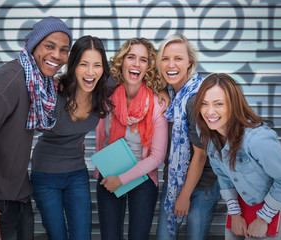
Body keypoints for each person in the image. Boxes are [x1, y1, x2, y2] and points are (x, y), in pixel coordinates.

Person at [0, 16, 72, 240]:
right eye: (49, 46)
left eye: (64, 50)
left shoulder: (37, 82)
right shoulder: (8, 83)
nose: (57, 55)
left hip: (18, 198)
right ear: (33, 44)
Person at [30, 35, 113, 240]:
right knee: (57, 235)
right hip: (45, 174)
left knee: (82, 236)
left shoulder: (102, 89)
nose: (90, 72)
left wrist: (163, 93)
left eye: (97, 65)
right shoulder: (53, 91)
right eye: (83, 64)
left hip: (76, 173)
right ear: (73, 65)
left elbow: (135, 76)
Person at [194, 73, 281, 240]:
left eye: (219, 104)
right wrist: (235, 213)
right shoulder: (208, 133)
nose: (209, 112)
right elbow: (223, 174)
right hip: (245, 203)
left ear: (233, 105)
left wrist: (263, 218)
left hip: (279, 204)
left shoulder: (257, 139)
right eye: (204, 104)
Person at [94, 37, 168, 240]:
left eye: (143, 60)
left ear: (149, 67)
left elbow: (158, 156)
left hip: (143, 178)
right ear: (122, 62)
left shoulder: (157, 103)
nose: (136, 63)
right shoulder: (106, 98)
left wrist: (122, 179)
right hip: (110, 172)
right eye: (131, 57)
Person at [155, 34, 220, 240]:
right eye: (165, 58)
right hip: (174, 179)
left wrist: (184, 196)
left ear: (189, 63)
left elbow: (200, 155)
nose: (170, 64)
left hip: (203, 183)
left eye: (178, 58)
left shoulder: (195, 100)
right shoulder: (171, 93)